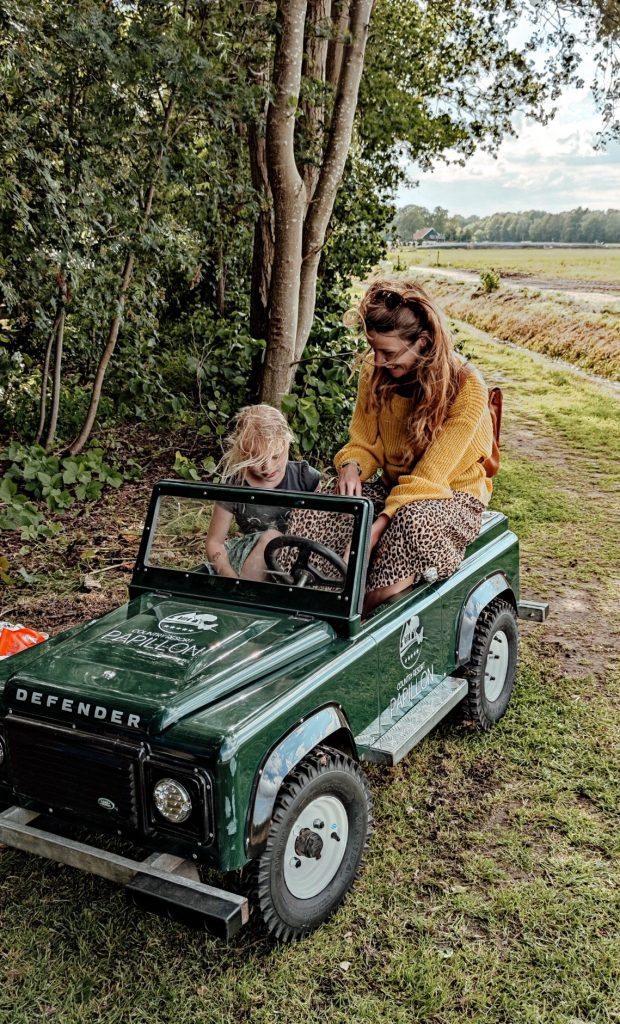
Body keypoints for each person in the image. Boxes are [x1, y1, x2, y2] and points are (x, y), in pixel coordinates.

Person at [332, 278, 494, 616]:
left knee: (410, 522)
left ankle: (366, 618)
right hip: (396, 488)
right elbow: (364, 444)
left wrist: (375, 529)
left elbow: (430, 477)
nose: (377, 361)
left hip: (449, 495)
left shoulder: (467, 386)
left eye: (387, 353)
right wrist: (352, 467)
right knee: (330, 504)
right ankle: (310, 595)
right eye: (373, 349)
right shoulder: (375, 373)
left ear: (422, 342)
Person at [205, 404, 321, 581]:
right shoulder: (235, 484)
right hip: (250, 561)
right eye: (256, 459)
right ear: (243, 453)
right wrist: (231, 578)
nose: (268, 468)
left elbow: (321, 529)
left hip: (299, 561)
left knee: (278, 538)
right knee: (271, 537)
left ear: (287, 442)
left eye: (275, 456)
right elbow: (214, 542)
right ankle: (247, 597)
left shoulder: (306, 478)